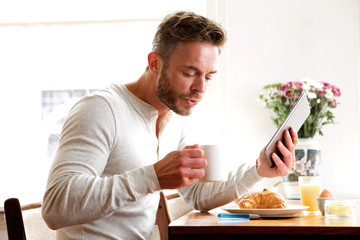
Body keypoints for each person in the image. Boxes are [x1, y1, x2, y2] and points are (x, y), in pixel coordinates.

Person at [42, 11, 298, 239]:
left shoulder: (175, 117)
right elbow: (55, 208)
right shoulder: (101, 109)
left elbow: (198, 195)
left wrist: (258, 170)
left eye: (209, 77)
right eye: (189, 73)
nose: (201, 88)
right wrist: (152, 177)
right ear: (155, 63)